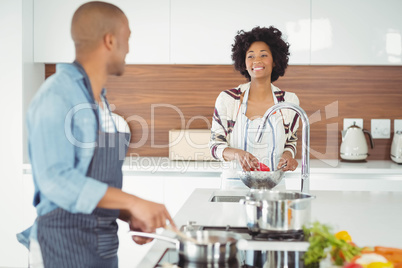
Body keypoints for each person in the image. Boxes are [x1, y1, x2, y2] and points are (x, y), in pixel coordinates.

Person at [17, 2, 175, 267]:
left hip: (100, 248)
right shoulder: (57, 95)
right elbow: (56, 180)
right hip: (62, 248)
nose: (129, 49)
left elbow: (91, 181)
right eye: (127, 39)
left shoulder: (96, 99)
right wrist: (134, 202)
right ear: (110, 41)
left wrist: (127, 213)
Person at [209, 26, 300, 189]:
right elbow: (215, 146)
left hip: (274, 184)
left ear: (275, 60)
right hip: (234, 185)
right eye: (250, 56)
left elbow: (291, 141)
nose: (257, 61)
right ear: (244, 62)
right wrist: (237, 154)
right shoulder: (228, 99)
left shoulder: (288, 101)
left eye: (263, 55)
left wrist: (288, 155)